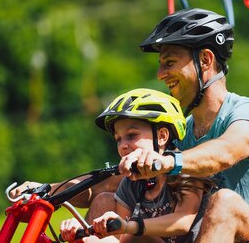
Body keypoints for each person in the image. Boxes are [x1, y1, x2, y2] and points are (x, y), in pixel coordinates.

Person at [119, 7, 249, 242]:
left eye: (170, 62)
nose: (160, 74)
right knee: (123, 217)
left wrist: (164, 162)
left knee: (224, 202)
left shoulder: (248, 113)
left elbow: (224, 152)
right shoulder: (185, 131)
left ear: (205, 60)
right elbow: (125, 177)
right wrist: (63, 189)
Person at [59, 88, 213, 243]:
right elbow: (120, 238)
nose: (123, 146)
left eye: (131, 135)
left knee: (135, 235)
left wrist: (130, 227)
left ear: (162, 136)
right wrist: (82, 233)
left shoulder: (187, 170)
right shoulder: (130, 182)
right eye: (118, 139)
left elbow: (182, 223)